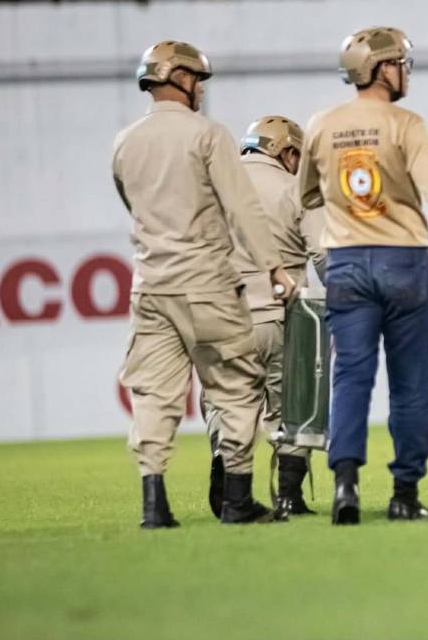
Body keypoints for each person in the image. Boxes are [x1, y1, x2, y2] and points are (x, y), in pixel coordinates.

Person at [300, 26, 428, 525]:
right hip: (404, 263)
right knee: (409, 387)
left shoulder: (321, 124)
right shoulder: (406, 124)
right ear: (381, 68)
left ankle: (345, 487)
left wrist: (345, 207)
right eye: (401, 63)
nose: (406, 72)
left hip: (347, 265)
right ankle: (403, 493)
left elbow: (305, 195)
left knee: (350, 379)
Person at [113, 40, 296, 528]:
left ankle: (154, 504)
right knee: (236, 387)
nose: (200, 90)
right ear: (182, 80)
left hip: (150, 285)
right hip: (207, 283)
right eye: (197, 80)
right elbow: (242, 207)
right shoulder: (208, 135)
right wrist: (274, 267)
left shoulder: (125, 141)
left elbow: (131, 203)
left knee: (154, 393)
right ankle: (237, 498)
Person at [202, 116, 327, 519]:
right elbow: (325, 255)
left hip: (222, 316)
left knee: (225, 403)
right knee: (292, 406)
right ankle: (290, 496)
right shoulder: (296, 188)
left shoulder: (215, 188)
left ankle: (227, 479)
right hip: (281, 315)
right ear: (285, 151)